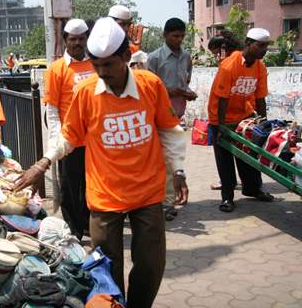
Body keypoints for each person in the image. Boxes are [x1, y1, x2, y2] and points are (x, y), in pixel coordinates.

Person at [14, 17, 188, 308]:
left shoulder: (150, 85)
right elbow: (68, 138)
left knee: (151, 265)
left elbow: (169, 130)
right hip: (105, 198)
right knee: (105, 269)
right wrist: (42, 163)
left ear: (126, 56)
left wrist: (179, 171)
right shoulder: (86, 94)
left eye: (109, 65)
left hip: (147, 193)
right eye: (96, 65)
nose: (102, 72)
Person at [208, 28, 274, 213]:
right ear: (248, 43)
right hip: (220, 117)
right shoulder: (229, 65)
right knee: (225, 158)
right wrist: (220, 126)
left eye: (266, 46)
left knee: (249, 154)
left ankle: (253, 189)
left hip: (243, 116)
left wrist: (263, 124)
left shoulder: (260, 67)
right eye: (260, 46)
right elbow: (222, 98)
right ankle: (227, 197)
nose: (264, 50)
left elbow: (260, 97)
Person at [44, 18, 96, 240]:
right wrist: (57, 140)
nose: (77, 43)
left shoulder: (96, 64)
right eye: (72, 39)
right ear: (65, 40)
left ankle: (88, 225)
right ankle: (73, 230)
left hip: (94, 138)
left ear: (86, 40)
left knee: (90, 184)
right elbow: (52, 108)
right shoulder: (56, 69)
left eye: (81, 39)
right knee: (69, 186)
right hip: (70, 139)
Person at [147, 17, 197, 221]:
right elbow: (148, 89)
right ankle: (157, 200)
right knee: (159, 161)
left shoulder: (186, 57)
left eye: (182, 36)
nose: (179, 40)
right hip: (157, 118)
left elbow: (186, 80)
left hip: (177, 115)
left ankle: (167, 202)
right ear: (165, 35)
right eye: (175, 36)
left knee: (172, 161)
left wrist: (186, 92)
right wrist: (169, 91)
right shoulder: (154, 58)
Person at [207, 30, 243, 191]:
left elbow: (223, 97)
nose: (216, 56)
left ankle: (228, 184)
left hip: (223, 118)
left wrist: (220, 124)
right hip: (237, 116)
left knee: (224, 156)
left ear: (222, 47)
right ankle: (245, 184)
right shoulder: (234, 59)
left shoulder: (229, 63)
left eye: (216, 52)